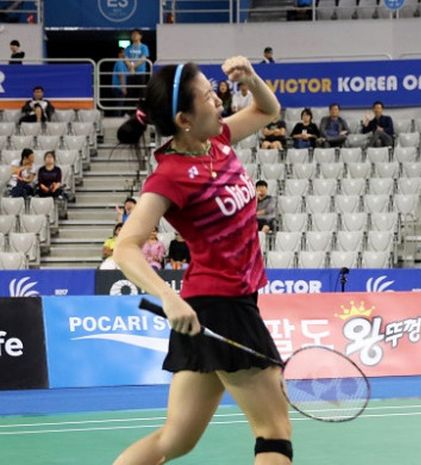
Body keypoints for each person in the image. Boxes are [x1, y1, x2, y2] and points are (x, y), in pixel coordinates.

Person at [112, 58, 291, 465]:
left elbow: (268, 110)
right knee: (274, 432)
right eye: (209, 97)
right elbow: (125, 247)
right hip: (221, 307)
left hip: (222, 304)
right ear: (183, 119)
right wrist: (167, 296)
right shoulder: (169, 176)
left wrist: (251, 79)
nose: (219, 100)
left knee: (175, 440)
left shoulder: (220, 140)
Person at [124, 29, 150, 101]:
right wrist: (131, 67)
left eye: (136, 34)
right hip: (130, 73)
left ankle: (140, 111)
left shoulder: (144, 47)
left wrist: (133, 67)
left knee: (141, 93)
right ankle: (130, 111)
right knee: (131, 93)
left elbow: (143, 59)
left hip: (140, 73)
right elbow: (126, 59)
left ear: (140, 36)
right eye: (133, 34)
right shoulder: (128, 48)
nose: (134, 35)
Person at [110, 47, 128, 116]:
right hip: (118, 87)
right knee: (119, 104)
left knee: (119, 104)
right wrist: (123, 88)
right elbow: (121, 75)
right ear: (119, 54)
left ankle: (118, 116)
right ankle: (116, 117)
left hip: (118, 87)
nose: (126, 54)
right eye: (124, 52)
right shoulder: (120, 62)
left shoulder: (122, 63)